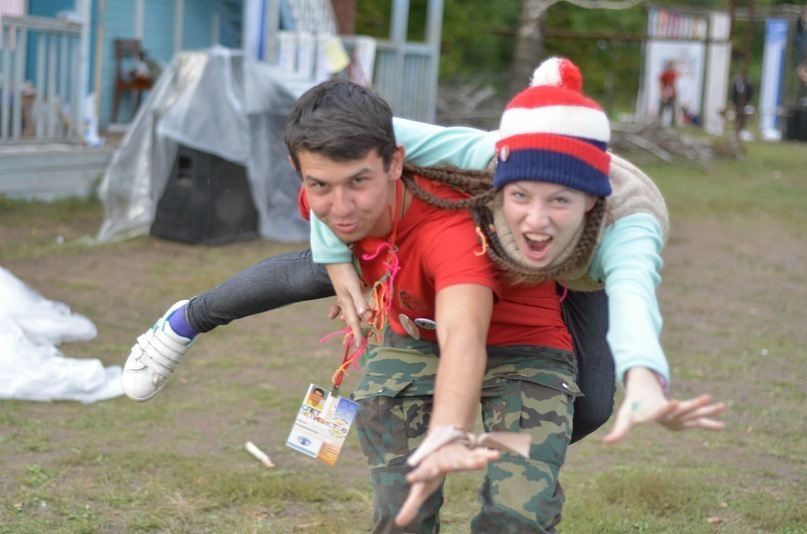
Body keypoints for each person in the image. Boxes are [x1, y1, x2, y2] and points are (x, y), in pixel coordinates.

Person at [658, 59, 678, 127]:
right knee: (661, 108)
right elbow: (661, 84)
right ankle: (659, 122)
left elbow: (674, 85)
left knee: (673, 108)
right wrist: (662, 94)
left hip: (672, 95)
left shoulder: (674, 74)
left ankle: (673, 124)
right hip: (665, 94)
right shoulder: (664, 74)